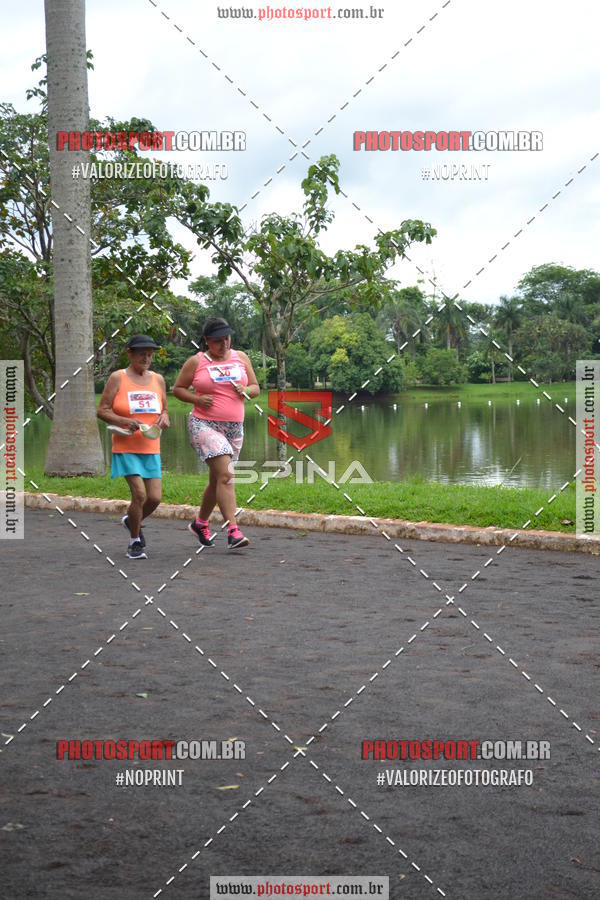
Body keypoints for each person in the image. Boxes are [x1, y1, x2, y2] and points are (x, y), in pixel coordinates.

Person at [173, 316, 260, 549]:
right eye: (218, 341)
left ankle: (200, 523)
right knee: (226, 476)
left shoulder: (241, 357)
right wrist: (197, 399)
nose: (224, 344)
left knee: (217, 479)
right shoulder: (197, 361)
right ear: (206, 341)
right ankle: (233, 531)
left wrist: (246, 390)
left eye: (227, 339)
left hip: (234, 428)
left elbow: (256, 388)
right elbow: (178, 389)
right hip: (204, 425)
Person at [97, 334, 169, 559]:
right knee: (139, 494)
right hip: (126, 446)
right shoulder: (117, 378)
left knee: (154, 499)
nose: (146, 358)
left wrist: (165, 417)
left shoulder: (158, 379)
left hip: (151, 446)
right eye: (141, 354)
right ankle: (135, 542)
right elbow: (102, 410)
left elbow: (164, 409)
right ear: (129, 353)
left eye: (149, 355)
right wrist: (124, 420)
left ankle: (131, 521)